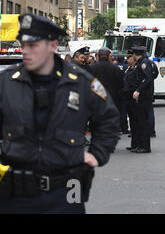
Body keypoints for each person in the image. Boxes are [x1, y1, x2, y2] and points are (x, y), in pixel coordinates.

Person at [0, 14, 120, 214]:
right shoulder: (7, 82)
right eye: (24, 45)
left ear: (52, 45)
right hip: (15, 193)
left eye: (33, 45)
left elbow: (109, 117)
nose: (25, 51)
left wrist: (98, 154)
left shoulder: (79, 81)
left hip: (65, 192)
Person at [130, 46, 157, 153]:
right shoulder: (143, 62)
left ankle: (145, 146)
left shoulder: (144, 63)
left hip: (144, 96)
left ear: (135, 54)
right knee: (140, 121)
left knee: (143, 122)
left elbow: (148, 78)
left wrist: (139, 90)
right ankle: (140, 145)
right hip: (144, 95)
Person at [89, 47, 124, 114]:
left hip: (97, 100)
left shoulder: (92, 68)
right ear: (108, 56)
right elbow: (121, 84)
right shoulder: (115, 68)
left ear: (98, 56)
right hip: (112, 100)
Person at [122, 51, 139, 150]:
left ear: (133, 59)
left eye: (129, 58)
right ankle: (134, 144)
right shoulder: (129, 68)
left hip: (132, 98)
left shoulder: (135, 69)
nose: (127, 60)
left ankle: (136, 144)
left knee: (135, 122)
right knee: (132, 123)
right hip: (128, 98)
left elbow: (133, 83)